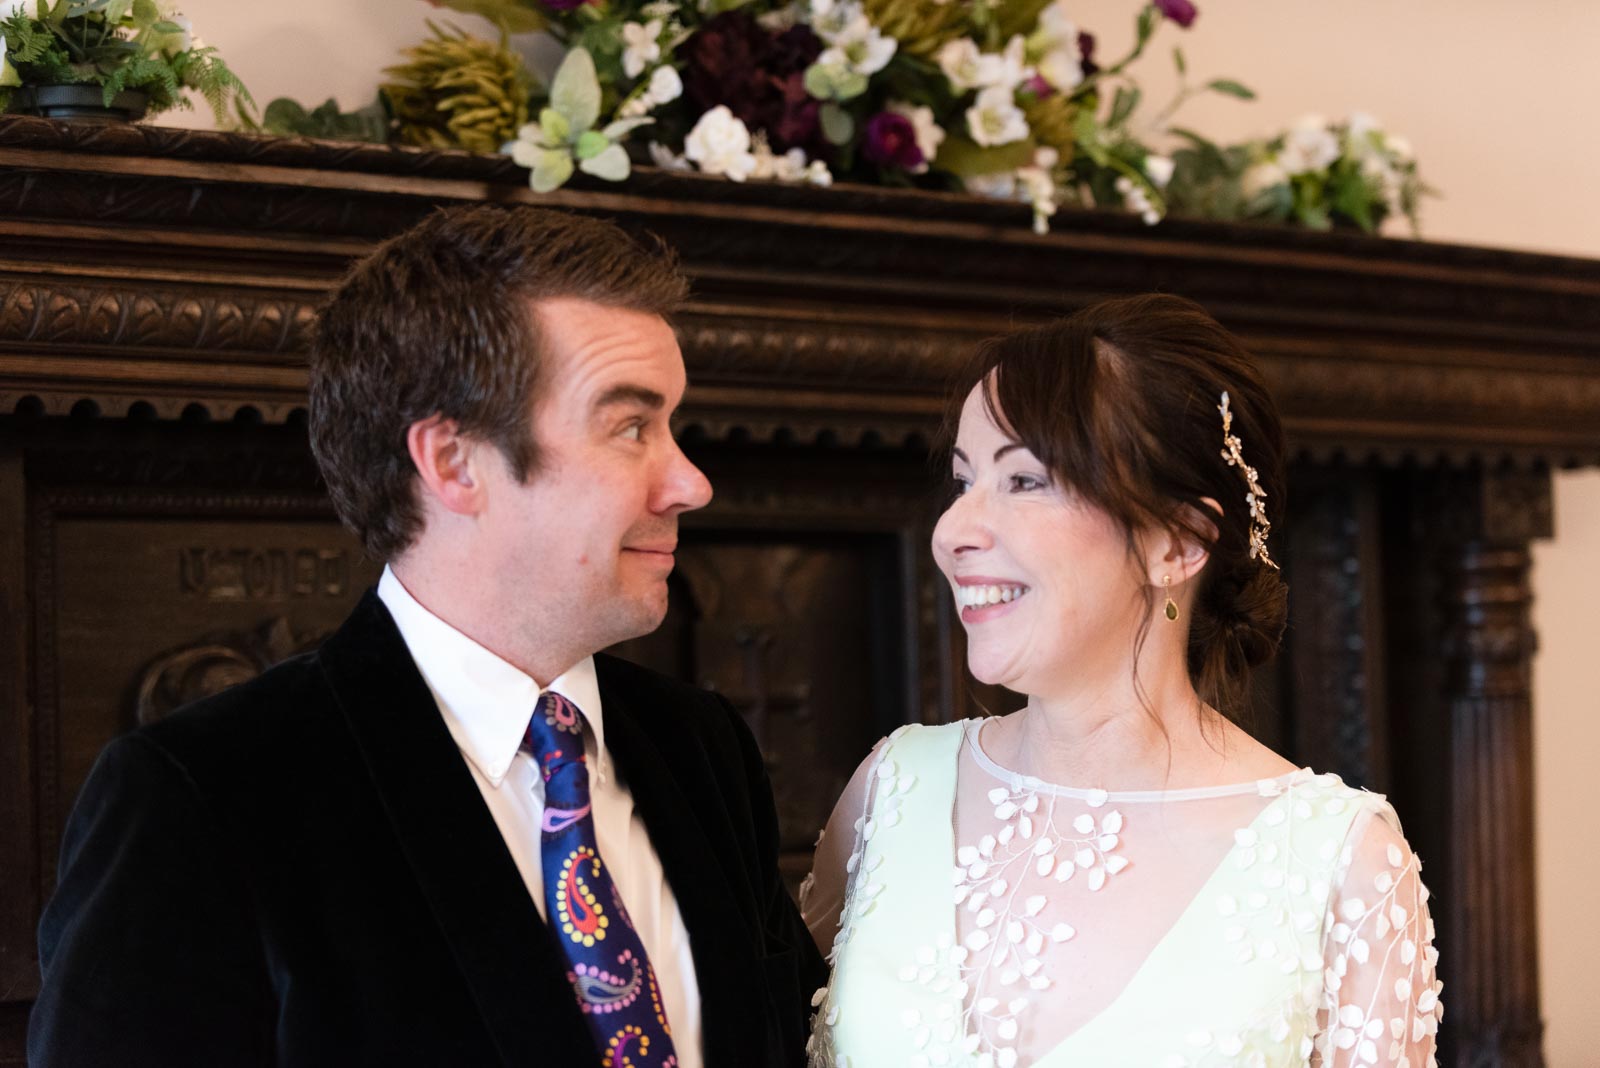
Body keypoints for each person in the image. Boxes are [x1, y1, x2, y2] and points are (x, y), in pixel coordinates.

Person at [30, 204, 825, 1067]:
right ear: (453, 463)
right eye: (631, 426)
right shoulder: (200, 796)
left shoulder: (702, 748)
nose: (692, 482)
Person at [802, 295, 1442, 1068]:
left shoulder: (1342, 863)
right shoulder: (893, 789)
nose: (952, 532)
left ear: (1178, 541)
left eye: (1025, 481)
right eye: (964, 480)